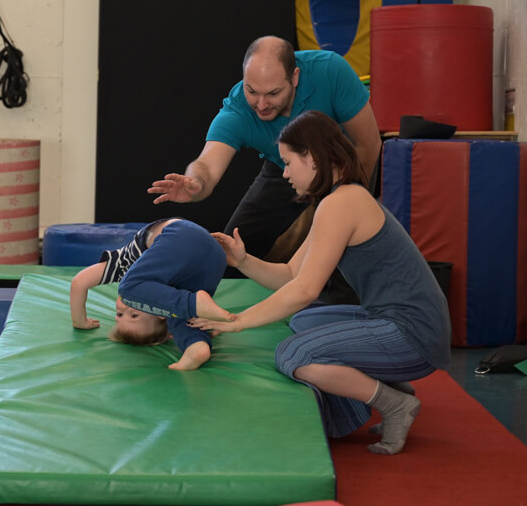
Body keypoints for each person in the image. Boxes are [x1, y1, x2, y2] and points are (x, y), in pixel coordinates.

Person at [190, 111, 451, 455]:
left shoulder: (343, 203)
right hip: (401, 322)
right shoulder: (337, 199)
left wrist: (238, 321)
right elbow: (290, 275)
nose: (284, 173)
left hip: (415, 336)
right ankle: (387, 379)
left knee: (292, 354)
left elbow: (305, 290)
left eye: (287, 163)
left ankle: (394, 403)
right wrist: (243, 260)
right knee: (304, 322)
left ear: (312, 158)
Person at [148, 36, 381, 268]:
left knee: (341, 247)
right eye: (252, 91)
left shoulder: (330, 70)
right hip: (283, 167)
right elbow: (206, 165)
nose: (261, 104)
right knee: (234, 252)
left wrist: (351, 198)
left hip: (343, 166)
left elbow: (368, 144)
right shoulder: (238, 111)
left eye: (273, 93)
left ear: (295, 78)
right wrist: (196, 183)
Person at [69, 218, 232, 371]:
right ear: (160, 313)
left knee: (128, 289)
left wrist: (80, 321)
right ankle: (196, 346)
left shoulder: (125, 266)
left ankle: (193, 306)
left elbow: (79, 282)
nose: (125, 307)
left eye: (119, 314)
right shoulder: (166, 298)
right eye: (134, 315)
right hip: (213, 256)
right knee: (179, 316)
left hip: (184, 237)